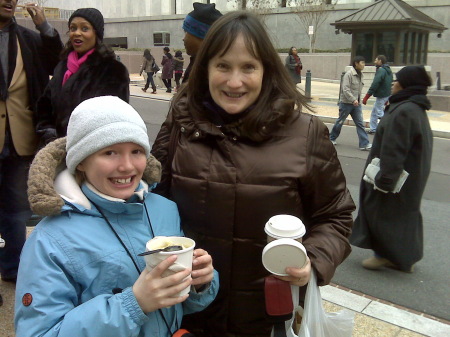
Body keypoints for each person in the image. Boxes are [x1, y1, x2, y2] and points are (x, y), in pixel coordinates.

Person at [151, 11, 354, 337]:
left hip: (268, 318)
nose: (234, 81)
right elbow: (150, 199)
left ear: (266, 71)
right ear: (205, 69)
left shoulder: (305, 133)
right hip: (189, 312)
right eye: (223, 66)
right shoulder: (181, 122)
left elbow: (336, 215)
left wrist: (312, 262)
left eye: (248, 67)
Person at [15, 96, 219, 337]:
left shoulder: (163, 209)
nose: (127, 166)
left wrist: (199, 283)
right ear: (81, 162)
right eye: (110, 152)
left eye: (136, 151)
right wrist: (134, 304)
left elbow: (184, 304)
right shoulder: (49, 241)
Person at [0, 0, 62, 284]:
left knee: (16, 210)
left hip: (20, 138)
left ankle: (13, 269)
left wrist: (43, 26)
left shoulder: (27, 38)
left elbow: (56, 61)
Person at [351, 66, 433, 273]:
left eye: (397, 80)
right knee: (403, 214)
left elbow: (394, 149)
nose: (393, 83)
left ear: (406, 85)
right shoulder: (414, 107)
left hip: (394, 177)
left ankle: (384, 255)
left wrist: (384, 180)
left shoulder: (404, 111)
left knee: (383, 212)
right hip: (410, 177)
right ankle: (404, 257)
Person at [35, 8, 129, 147]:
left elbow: (113, 120)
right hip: (55, 148)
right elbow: (45, 106)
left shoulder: (112, 70)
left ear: (96, 34)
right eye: (73, 28)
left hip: (91, 151)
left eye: (85, 28)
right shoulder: (62, 66)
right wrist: (50, 134)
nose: (77, 33)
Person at [329, 56, 372, 151]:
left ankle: (364, 144)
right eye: (362, 62)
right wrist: (353, 99)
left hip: (356, 104)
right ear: (356, 63)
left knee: (360, 123)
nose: (364, 65)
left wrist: (358, 101)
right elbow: (345, 89)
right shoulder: (349, 74)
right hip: (346, 103)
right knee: (340, 121)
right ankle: (331, 138)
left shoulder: (361, 74)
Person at [181, 2, 222, 83]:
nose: (183, 39)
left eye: (186, 32)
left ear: (202, 35)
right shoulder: (197, 64)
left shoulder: (205, 73)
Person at [362, 55, 393, 134]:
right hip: (386, 94)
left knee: (379, 113)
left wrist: (367, 96)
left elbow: (375, 83)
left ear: (380, 61)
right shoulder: (388, 70)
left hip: (381, 95)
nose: (374, 61)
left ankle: (387, 129)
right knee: (375, 112)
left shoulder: (381, 70)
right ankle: (373, 129)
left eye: (376, 60)